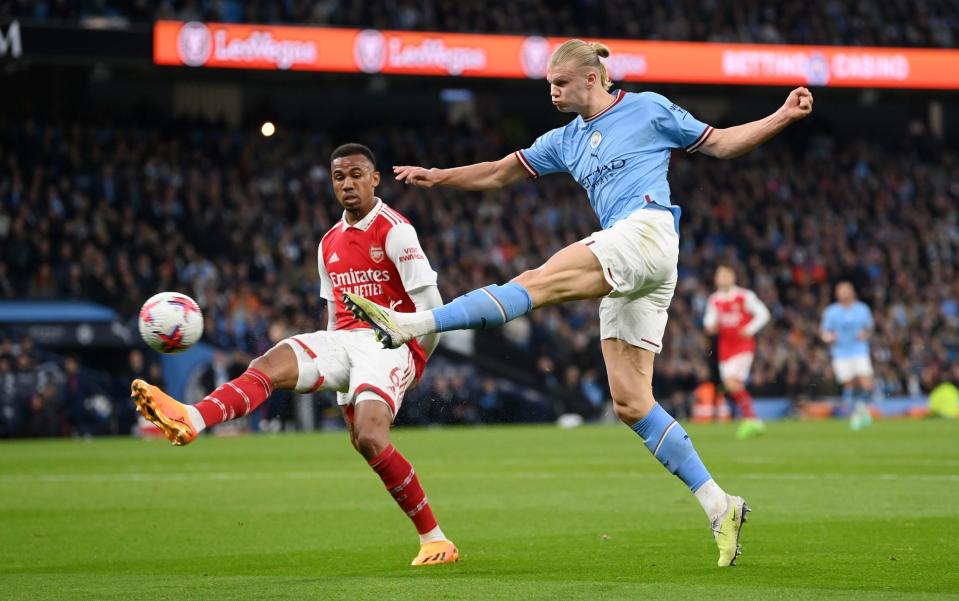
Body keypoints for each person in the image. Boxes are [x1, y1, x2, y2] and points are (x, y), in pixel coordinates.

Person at [343, 39, 813, 567]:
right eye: (549, 84)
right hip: (635, 260)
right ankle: (719, 504)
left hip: (647, 231)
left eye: (560, 83)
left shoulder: (649, 108)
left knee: (537, 280)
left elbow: (723, 143)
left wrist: (783, 115)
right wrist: (439, 176)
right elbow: (500, 172)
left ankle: (413, 323)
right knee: (631, 402)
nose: (552, 91)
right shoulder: (564, 139)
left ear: (592, 78)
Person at [130, 143, 458, 567]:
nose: (348, 184)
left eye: (357, 174)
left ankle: (435, 540)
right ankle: (192, 418)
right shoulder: (329, 243)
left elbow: (431, 303)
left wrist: (417, 360)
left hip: (392, 343)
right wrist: (341, 380)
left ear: (375, 179)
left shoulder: (396, 230)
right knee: (268, 364)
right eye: (339, 177)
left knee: (372, 439)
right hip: (344, 339)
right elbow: (335, 314)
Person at [703, 264, 771, 439]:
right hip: (725, 348)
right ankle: (752, 420)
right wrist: (711, 326)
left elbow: (763, 314)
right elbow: (708, 321)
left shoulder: (745, 296)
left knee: (733, 382)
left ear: (733, 277)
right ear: (716, 279)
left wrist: (750, 328)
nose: (723, 278)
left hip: (743, 346)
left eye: (726, 274)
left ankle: (753, 421)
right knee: (732, 385)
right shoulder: (714, 300)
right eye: (720, 275)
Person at [820, 281, 875, 430]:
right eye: (840, 292)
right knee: (848, 384)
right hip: (840, 352)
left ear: (852, 293)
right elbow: (824, 333)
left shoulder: (862, 309)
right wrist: (829, 338)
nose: (842, 294)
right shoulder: (831, 312)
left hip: (859, 349)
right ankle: (857, 414)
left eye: (845, 291)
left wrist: (865, 335)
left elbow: (869, 328)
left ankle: (861, 410)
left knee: (866, 383)